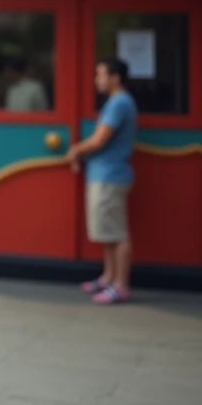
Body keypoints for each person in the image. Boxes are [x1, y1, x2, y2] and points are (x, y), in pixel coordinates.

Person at [69, 57, 138, 305]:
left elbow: (100, 140)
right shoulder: (117, 102)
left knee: (117, 232)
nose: (96, 80)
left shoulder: (119, 103)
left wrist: (76, 150)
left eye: (100, 75)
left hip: (111, 176)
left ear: (115, 78)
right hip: (105, 174)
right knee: (107, 231)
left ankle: (121, 285)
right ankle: (108, 278)